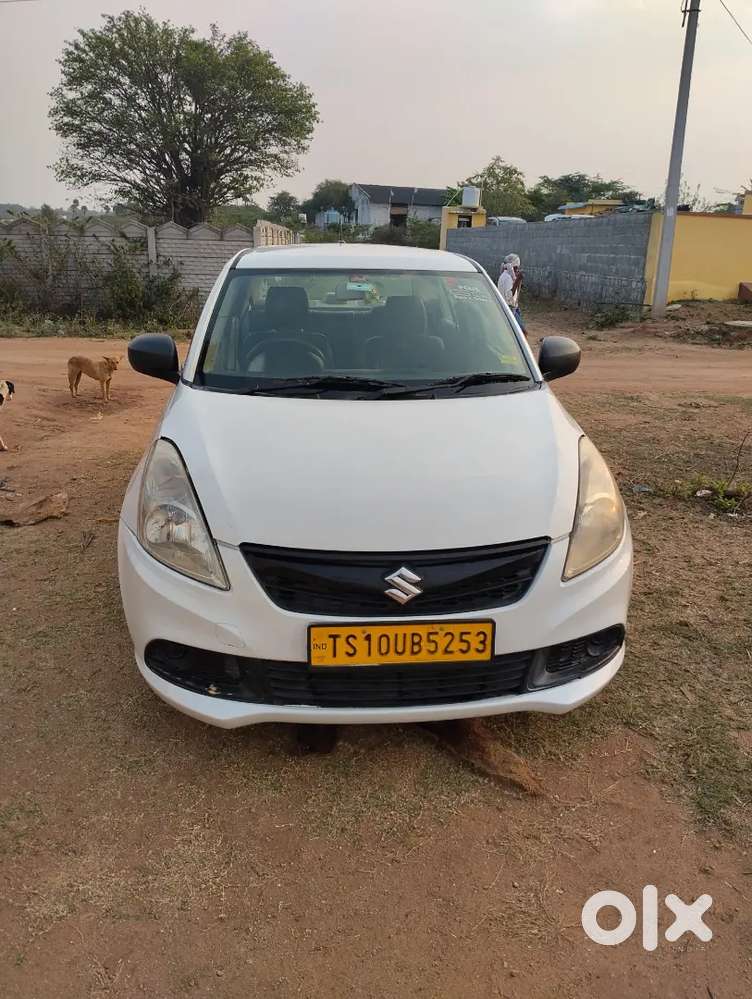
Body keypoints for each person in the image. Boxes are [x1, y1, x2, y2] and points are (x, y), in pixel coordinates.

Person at [497, 253, 526, 335]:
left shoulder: (504, 275)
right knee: (522, 333)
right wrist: (517, 280)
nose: (518, 269)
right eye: (517, 267)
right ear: (515, 266)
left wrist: (517, 281)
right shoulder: (508, 278)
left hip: (513, 307)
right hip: (509, 308)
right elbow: (509, 296)